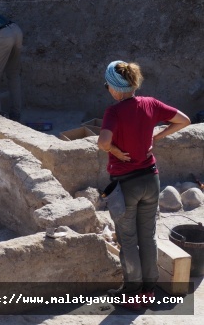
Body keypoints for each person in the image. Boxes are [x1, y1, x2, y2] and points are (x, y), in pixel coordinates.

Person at [97, 60, 190, 309]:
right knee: (148, 237)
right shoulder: (150, 104)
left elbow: (103, 142)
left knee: (128, 240)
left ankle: (132, 294)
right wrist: (156, 136)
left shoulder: (113, 112)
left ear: (115, 89)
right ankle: (148, 291)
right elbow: (184, 120)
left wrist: (116, 151)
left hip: (126, 184)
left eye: (107, 85)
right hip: (151, 178)